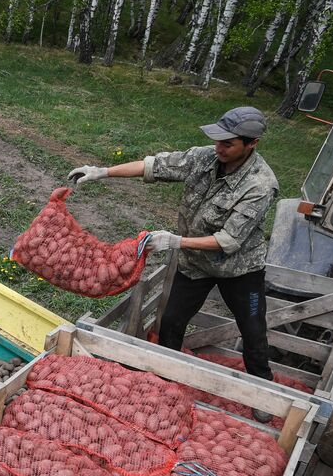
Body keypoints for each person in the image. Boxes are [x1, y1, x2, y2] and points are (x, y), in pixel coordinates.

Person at [68, 106, 279, 420]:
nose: (218, 148)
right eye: (217, 140)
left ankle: (263, 392)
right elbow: (154, 166)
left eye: (227, 143)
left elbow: (228, 241)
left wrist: (174, 241)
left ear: (251, 144)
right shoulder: (206, 157)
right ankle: (163, 380)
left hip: (239, 269)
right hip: (195, 264)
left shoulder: (260, 185)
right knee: (171, 322)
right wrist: (102, 171)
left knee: (252, 328)